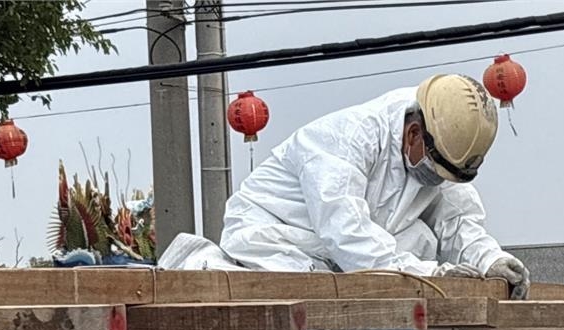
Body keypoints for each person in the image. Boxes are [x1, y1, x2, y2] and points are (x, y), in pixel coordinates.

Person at [219, 74, 531, 299]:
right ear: (412, 134)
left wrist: (490, 260)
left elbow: (458, 220)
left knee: (420, 238)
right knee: (320, 291)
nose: (437, 180)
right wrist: (428, 277)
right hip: (275, 240)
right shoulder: (345, 140)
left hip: (340, 253)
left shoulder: (440, 146)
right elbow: (346, 233)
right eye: (437, 172)